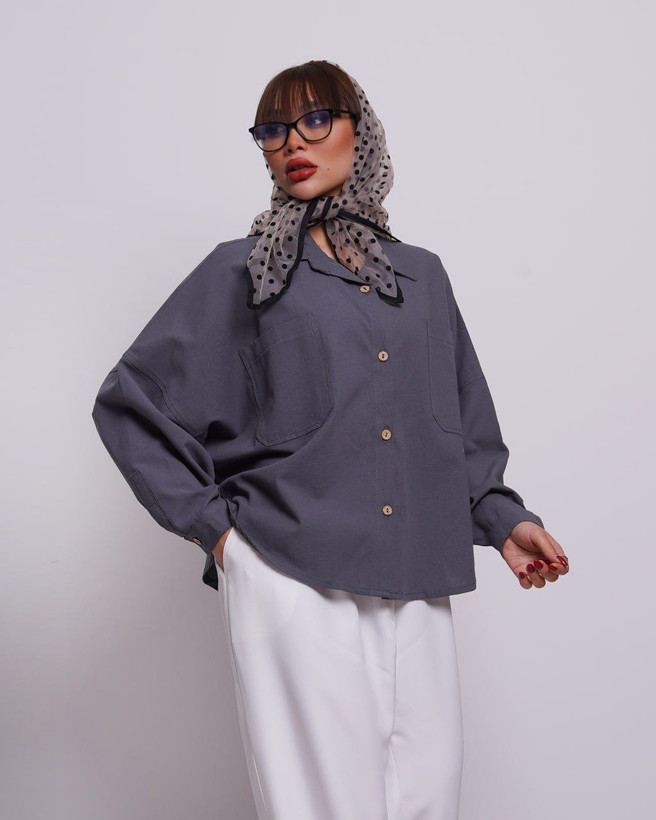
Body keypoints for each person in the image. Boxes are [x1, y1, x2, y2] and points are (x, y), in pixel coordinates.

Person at [92, 59, 568, 820]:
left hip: (417, 574)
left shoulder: (422, 278)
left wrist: (504, 520)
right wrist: (222, 538)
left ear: (360, 130)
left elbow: (461, 423)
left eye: (316, 120)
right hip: (293, 574)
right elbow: (132, 404)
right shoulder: (244, 272)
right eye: (273, 130)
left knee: (428, 801)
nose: (293, 143)